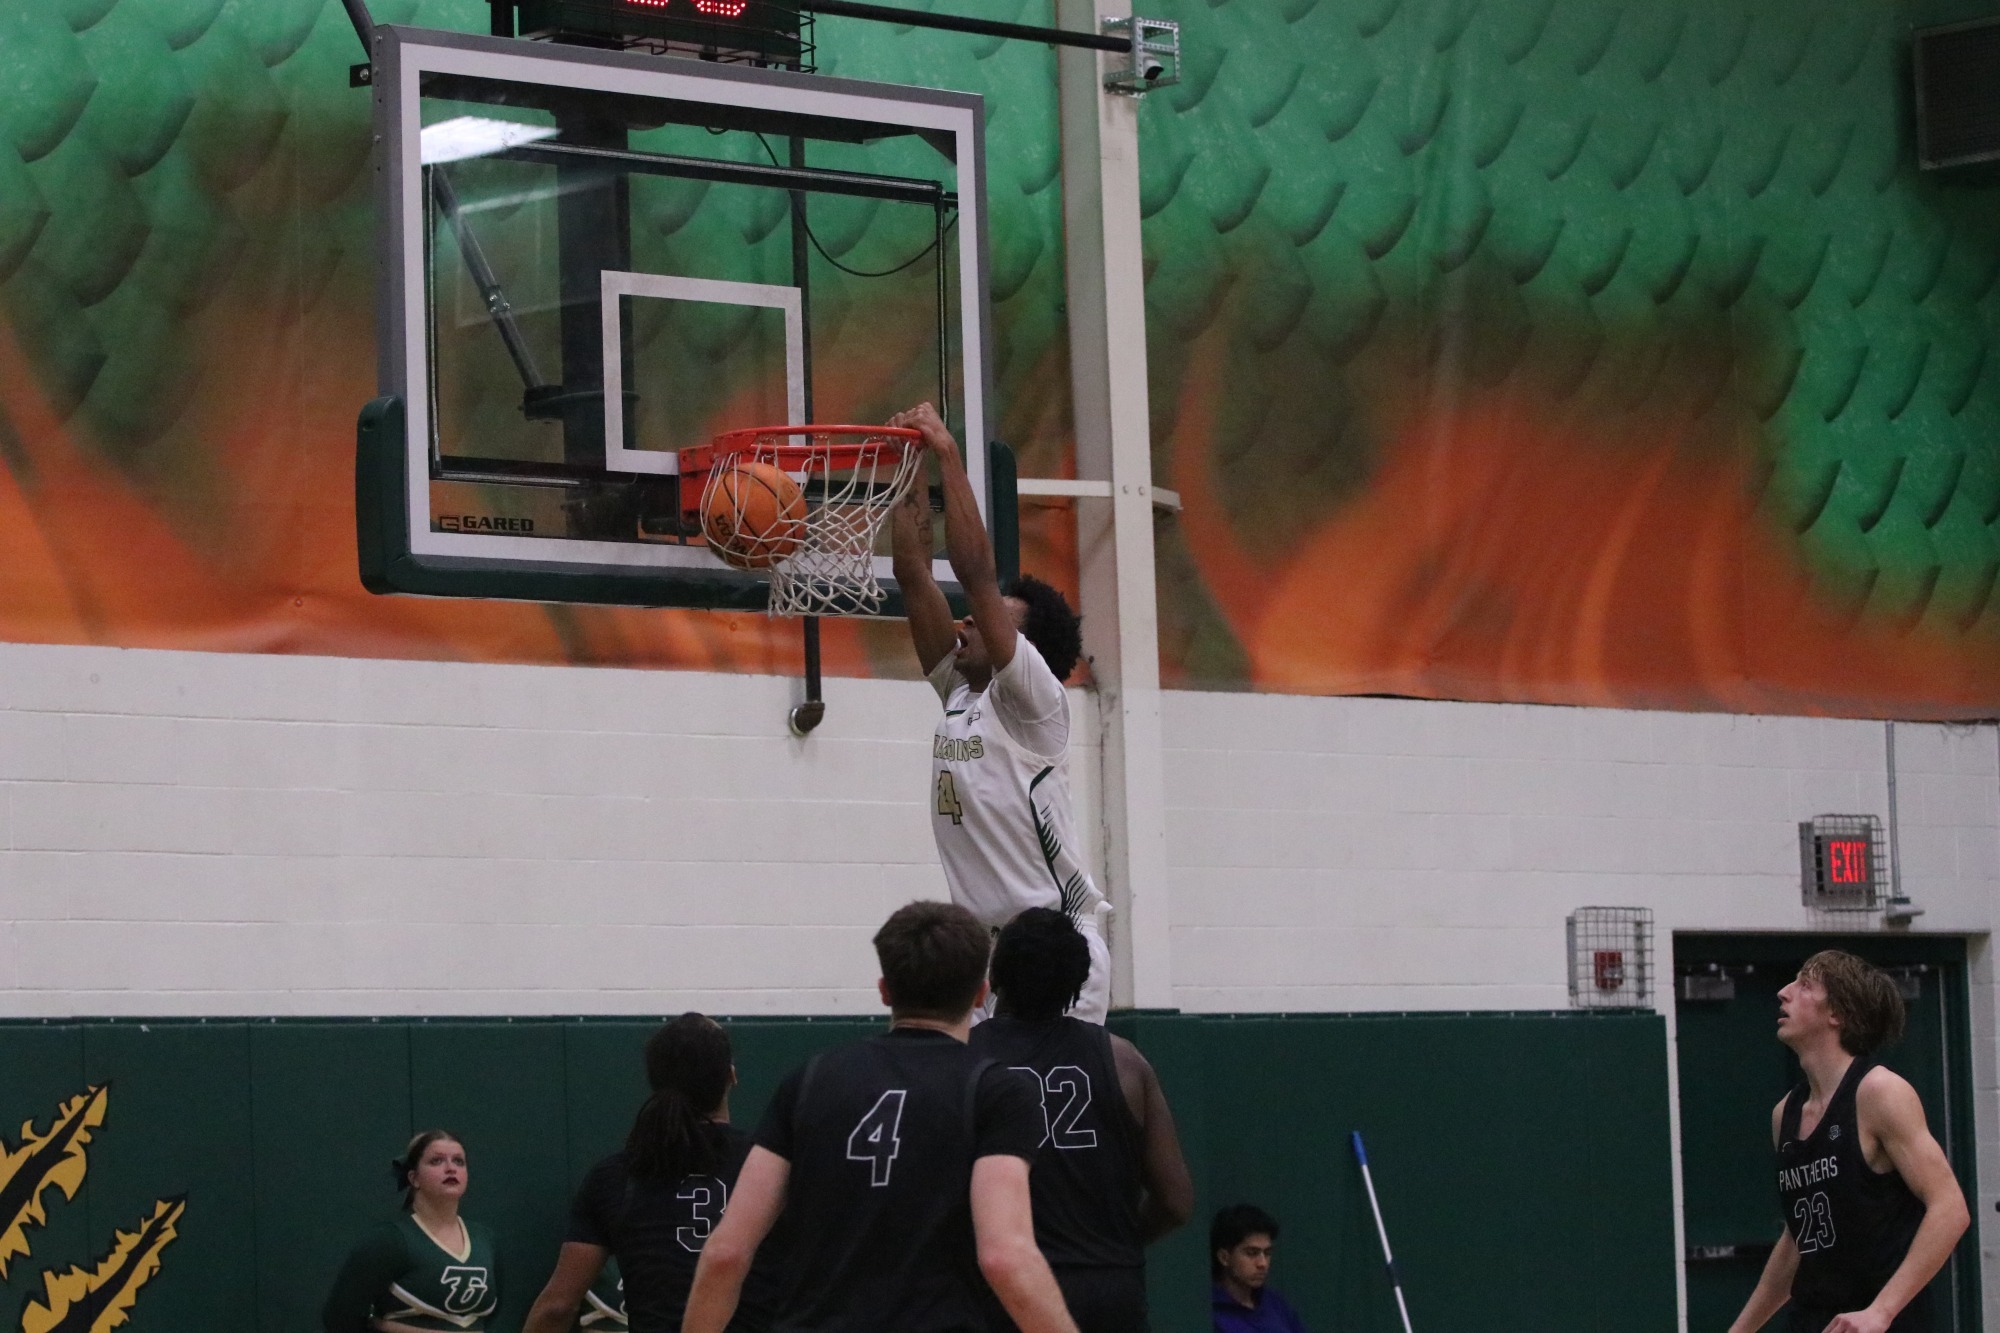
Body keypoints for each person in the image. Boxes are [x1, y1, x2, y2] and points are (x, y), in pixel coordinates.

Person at [682, 900, 1080, 1333]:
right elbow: (1005, 1257)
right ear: (981, 993)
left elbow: (726, 1253)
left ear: (885, 990)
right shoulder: (997, 1091)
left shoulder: (810, 1079)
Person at [888, 402, 1111, 1023]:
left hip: (1056, 948)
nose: (965, 623)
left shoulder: (1033, 706)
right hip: (986, 960)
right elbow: (911, 571)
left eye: (984, 623)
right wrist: (907, 468)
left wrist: (948, 457)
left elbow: (976, 578)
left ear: (1025, 652)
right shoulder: (959, 692)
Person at [969, 908, 1194, 1332]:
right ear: (1076, 984)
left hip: (1000, 1291)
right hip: (1106, 1289)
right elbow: (1176, 1200)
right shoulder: (1125, 1061)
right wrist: (1114, 1246)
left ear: (995, 977)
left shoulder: (961, 1058)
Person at [1728, 951, 1969, 1333]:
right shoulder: (1785, 1114)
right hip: (1816, 1318)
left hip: (1881, 1320)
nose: (1783, 992)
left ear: (1837, 1013)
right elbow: (1797, 1239)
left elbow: (1950, 1208)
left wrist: (1881, 1312)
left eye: (1804, 984)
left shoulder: (1879, 1092)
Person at [522, 1014, 784, 1333]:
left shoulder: (614, 1177)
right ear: (731, 1075)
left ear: (654, 1082)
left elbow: (557, 1307)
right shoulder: (771, 1166)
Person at [323, 1130, 504, 1332]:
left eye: (459, 1161)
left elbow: (494, 1313)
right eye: (436, 1161)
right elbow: (340, 1317)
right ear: (414, 1178)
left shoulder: (484, 1239)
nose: (450, 1168)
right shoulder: (391, 1240)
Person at [1209, 1205, 1305, 1333]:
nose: (1263, 1263)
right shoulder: (1210, 1313)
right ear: (1224, 1258)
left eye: (1267, 1253)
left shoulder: (1275, 1304)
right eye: (1252, 1253)